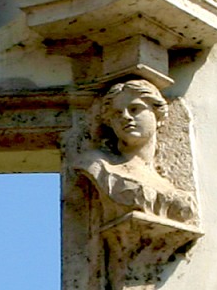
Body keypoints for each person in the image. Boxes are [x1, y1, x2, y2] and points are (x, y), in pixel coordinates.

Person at [81, 78, 195, 225]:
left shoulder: (166, 182)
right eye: (117, 113)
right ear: (110, 122)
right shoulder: (96, 165)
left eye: (135, 109)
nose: (125, 117)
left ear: (157, 114)